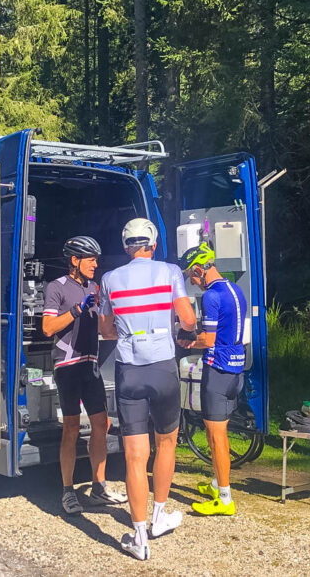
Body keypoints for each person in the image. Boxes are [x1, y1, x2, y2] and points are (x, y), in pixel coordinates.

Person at [98, 218, 198, 561]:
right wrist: (183, 325)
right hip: (162, 367)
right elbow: (187, 319)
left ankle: (139, 538)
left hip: (129, 371)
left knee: (134, 456)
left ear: (127, 247)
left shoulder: (109, 279)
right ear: (153, 244)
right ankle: (159, 517)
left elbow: (107, 329)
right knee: (166, 441)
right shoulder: (169, 271)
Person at [41, 236, 127, 515]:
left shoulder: (95, 287)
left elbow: (104, 328)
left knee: (101, 425)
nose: (95, 264)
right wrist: (77, 309)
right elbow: (48, 327)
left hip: (91, 365)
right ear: (75, 261)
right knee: (71, 428)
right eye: (90, 259)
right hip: (67, 365)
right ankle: (67, 491)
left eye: (96, 259)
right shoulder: (57, 287)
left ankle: (98, 485)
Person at [177, 243, 246, 517]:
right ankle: (218, 483)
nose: (192, 283)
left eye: (191, 277)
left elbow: (208, 339)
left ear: (199, 269)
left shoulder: (211, 297)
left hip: (216, 370)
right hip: (235, 369)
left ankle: (225, 498)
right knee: (219, 432)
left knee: (216, 438)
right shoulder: (234, 289)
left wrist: (184, 341)